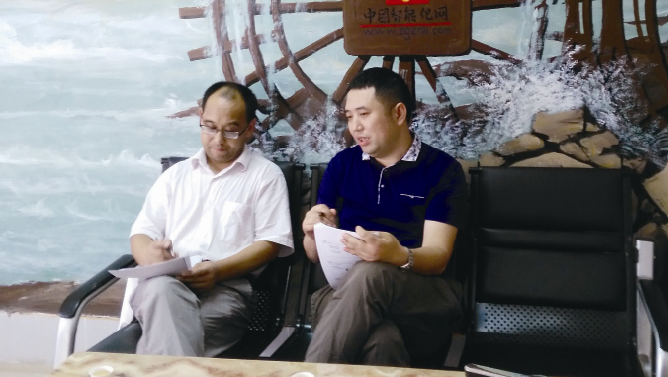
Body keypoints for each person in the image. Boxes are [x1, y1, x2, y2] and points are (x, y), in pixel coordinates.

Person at [302, 67, 468, 366]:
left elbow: (439, 256)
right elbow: (314, 255)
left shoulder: (442, 170)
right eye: (349, 117)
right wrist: (312, 233)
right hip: (344, 297)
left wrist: (397, 255)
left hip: (422, 297)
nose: (355, 127)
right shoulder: (342, 164)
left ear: (398, 113)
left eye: (364, 114)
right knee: (382, 340)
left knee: (371, 273)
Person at [129, 81, 294, 357]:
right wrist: (150, 256)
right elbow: (142, 233)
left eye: (230, 130)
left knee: (169, 334)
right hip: (166, 284)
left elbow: (270, 243)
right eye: (209, 127)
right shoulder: (175, 176)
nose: (218, 140)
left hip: (225, 290)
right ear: (200, 118)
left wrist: (217, 270)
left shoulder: (265, 176)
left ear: (250, 129)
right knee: (160, 292)